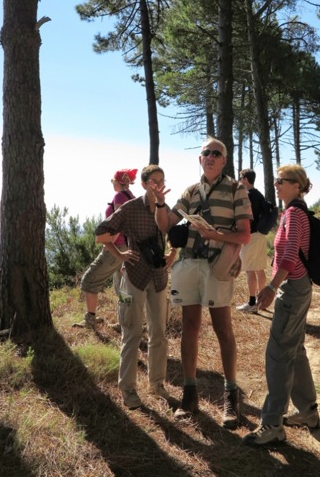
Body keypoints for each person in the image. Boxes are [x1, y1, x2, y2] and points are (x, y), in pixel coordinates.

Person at [154, 137, 252, 429]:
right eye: (205, 153)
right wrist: (159, 202)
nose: (209, 156)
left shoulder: (236, 190)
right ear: (200, 159)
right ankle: (190, 395)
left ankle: (231, 397)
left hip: (216, 266)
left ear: (224, 160)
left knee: (223, 329)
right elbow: (165, 224)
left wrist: (214, 235)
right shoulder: (190, 191)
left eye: (215, 153)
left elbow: (245, 234)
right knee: (190, 328)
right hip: (188, 265)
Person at [243, 164, 320, 446]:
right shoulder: (294, 212)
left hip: (292, 289)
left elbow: (289, 256)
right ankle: (308, 411)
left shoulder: (294, 214)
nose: (275, 184)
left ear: (296, 186)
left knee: (278, 355)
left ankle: (273, 423)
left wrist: (272, 286)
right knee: (294, 350)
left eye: (281, 180)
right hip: (299, 286)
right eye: (276, 180)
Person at [94, 165, 177, 409]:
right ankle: (128, 390)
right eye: (153, 181)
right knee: (131, 332)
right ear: (143, 184)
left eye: (161, 180)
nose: (158, 185)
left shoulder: (164, 207)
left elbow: (173, 232)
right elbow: (101, 234)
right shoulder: (130, 209)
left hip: (158, 278)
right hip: (133, 277)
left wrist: (173, 252)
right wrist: (120, 254)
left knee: (159, 333)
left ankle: (157, 384)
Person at [73, 168, 138, 329]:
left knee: (89, 280)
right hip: (128, 246)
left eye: (113, 181)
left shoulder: (119, 196)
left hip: (117, 247)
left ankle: (90, 320)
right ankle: (125, 322)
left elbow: (119, 220)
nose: (112, 184)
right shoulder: (132, 197)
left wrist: (110, 242)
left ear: (118, 182)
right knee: (122, 287)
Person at [236, 168, 269, 314]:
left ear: (245, 179)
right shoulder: (259, 195)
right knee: (259, 269)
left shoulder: (247, 195)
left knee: (250, 270)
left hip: (251, 236)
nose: (239, 181)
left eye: (240, 178)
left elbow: (245, 217)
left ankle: (251, 303)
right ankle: (262, 301)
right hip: (261, 235)